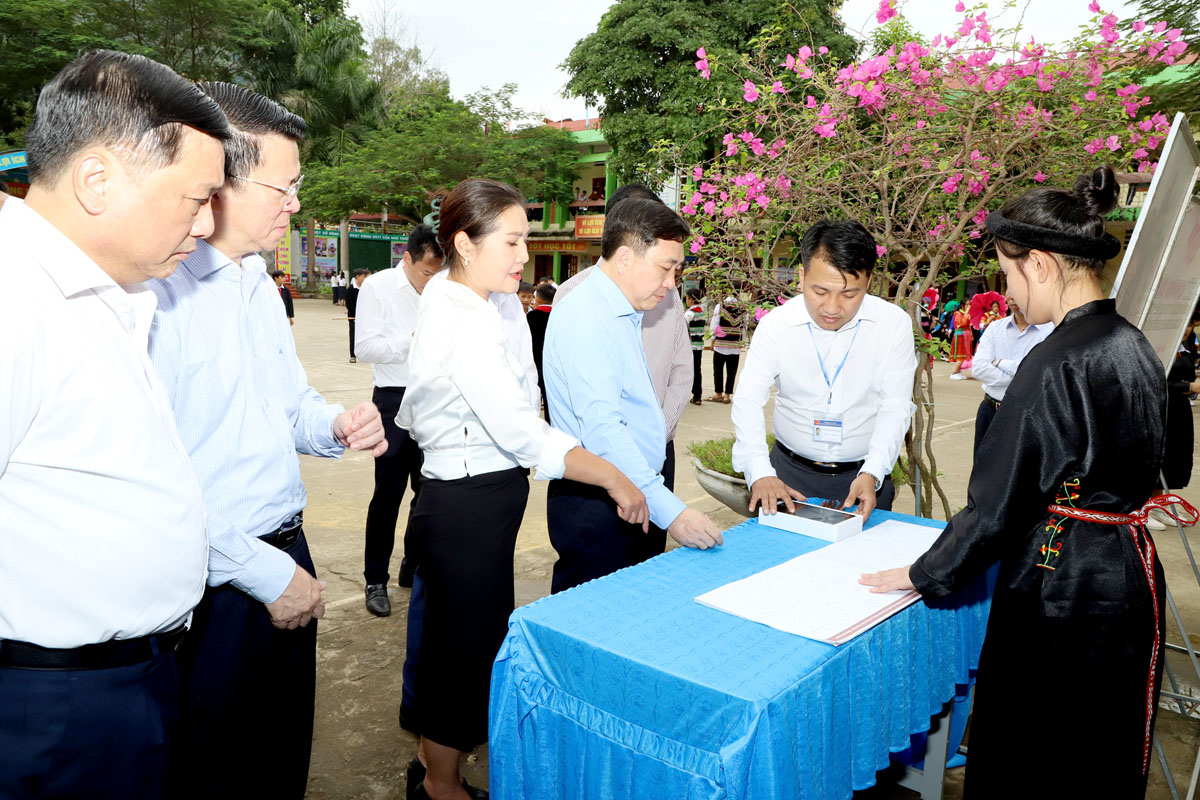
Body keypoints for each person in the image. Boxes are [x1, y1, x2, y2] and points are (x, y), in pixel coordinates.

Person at [862, 167, 1176, 798]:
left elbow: (999, 503)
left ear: (1039, 264)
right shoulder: (1132, 341)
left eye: (1006, 273)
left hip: (1064, 584)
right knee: (1101, 744)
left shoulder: (1054, 360)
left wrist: (924, 572)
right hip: (1130, 570)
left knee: (1037, 748)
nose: (1007, 291)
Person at [147, 82, 388, 800]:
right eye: (284, 187)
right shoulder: (157, 296)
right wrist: (259, 572)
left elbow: (286, 409)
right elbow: (154, 481)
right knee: (215, 766)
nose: (295, 204)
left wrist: (334, 424)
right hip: (216, 580)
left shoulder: (254, 280)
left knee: (281, 753)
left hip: (289, 551)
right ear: (218, 181)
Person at [0, 50, 228, 799]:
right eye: (195, 198)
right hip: (53, 710)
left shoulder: (106, 294)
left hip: (131, 683)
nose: (206, 223)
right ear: (97, 181)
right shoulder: (14, 302)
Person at [397, 178, 647, 800]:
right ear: (464, 242)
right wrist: (612, 474)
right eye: (511, 241)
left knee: (467, 643)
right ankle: (439, 785)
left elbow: (525, 399)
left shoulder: (490, 303)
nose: (523, 255)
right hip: (464, 507)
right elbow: (519, 428)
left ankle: (438, 768)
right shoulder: (459, 315)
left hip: (488, 503)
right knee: (463, 653)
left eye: (526, 240)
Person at [545, 195, 724, 595]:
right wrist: (673, 513)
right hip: (601, 499)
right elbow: (603, 429)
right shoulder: (587, 319)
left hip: (633, 488)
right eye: (665, 268)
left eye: (677, 270)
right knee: (594, 622)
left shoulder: (621, 310)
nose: (671, 283)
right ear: (625, 258)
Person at [731, 220, 916, 520]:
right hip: (787, 477)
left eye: (849, 294)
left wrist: (872, 471)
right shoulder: (776, 326)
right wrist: (759, 471)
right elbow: (748, 400)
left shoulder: (893, 326)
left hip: (864, 478)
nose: (832, 307)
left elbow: (895, 407)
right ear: (802, 276)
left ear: (868, 282)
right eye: (820, 291)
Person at [355, 224, 444, 617]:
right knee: (387, 495)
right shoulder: (377, 288)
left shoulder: (442, 290)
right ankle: (376, 579)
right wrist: (414, 340)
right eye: (426, 272)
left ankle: (412, 564)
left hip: (434, 400)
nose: (431, 281)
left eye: (437, 272)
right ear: (406, 259)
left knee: (428, 492)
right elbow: (365, 347)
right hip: (392, 401)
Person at [968, 293, 1052, 455]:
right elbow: (978, 368)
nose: (1012, 294)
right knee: (982, 472)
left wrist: (1000, 363)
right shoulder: (995, 328)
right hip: (990, 411)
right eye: (1009, 286)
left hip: (1028, 414)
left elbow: (1038, 372)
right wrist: (1020, 376)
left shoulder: (1050, 331)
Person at [526, 282, 555, 417]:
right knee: (552, 401)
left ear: (537, 299)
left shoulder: (531, 317)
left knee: (534, 396)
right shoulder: (557, 314)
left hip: (536, 363)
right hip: (553, 364)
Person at [707, 294, 743, 403]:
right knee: (731, 372)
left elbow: (715, 324)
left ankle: (718, 394)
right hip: (735, 344)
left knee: (718, 370)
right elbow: (744, 327)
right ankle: (727, 396)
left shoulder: (720, 306)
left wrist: (712, 340)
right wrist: (741, 340)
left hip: (720, 343)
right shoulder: (743, 307)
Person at [685, 288, 706, 405]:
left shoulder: (689, 313)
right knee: (697, 370)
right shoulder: (702, 311)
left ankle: (694, 393)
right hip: (699, 345)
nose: (686, 301)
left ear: (692, 299)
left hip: (690, 345)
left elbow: (681, 327)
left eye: (687, 298)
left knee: (688, 370)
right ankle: (698, 395)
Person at [347, 267, 368, 363]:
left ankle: (365, 354)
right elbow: (349, 304)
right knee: (353, 336)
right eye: (363, 277)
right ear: (357, 277)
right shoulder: (351, 289)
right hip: (354, 317)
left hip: (365, 317)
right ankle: (353, 355)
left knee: (365, 336)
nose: (365, 279)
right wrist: (357, 314)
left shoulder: (366, 289)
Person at [948, 300, 974, 379]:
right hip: (960, 335)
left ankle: (958, 371)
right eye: (967, 304)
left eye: (969, 304)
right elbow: (961, 323)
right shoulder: (958, 313)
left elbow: (968, 326)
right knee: (960, 355)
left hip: (966, 335)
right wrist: (966, 313)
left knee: (964, 355)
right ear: (962, 305)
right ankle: (954, 372)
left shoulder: (965, 314)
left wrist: (971, 335)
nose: (968, 306)